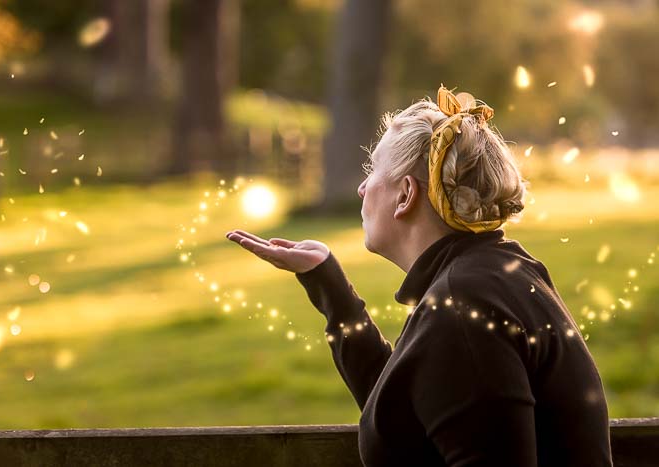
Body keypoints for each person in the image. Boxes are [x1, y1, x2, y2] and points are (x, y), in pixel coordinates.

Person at [226, 86, 613, 466]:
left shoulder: (463, 310)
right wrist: (327, 281)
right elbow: (407, 414)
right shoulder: (491, 274)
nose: (362, 188)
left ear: (406, 195)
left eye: (373, 169)